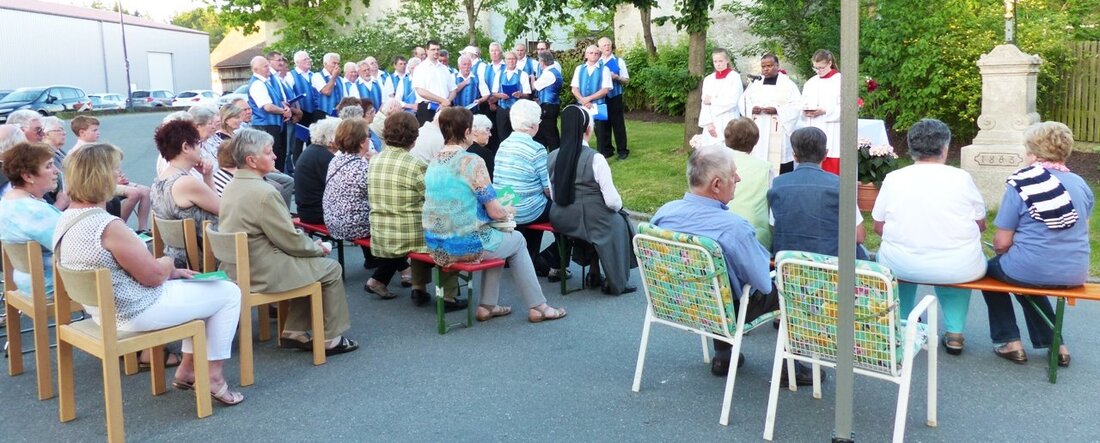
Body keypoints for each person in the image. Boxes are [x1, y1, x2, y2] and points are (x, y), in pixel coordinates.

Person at [53, 143, 244, 405]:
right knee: (229, 292)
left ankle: (188, 370)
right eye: (114, 169)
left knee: (202, 293)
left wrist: (171, 271)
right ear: (100, 176)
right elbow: (153, 277)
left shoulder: (66, 218)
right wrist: (168, 263)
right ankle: (213, 377)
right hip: (134, 311)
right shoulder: (107, 225)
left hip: (105, 309)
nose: (119, 175)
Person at [651, 146, 809, 384]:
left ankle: (723, 355)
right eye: (733, 174)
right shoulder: (734, 229)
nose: (738, 178)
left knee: (717, 281)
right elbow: (763, 284)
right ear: (716, 185)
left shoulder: (665, 214)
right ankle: (792, 367)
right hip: (723, 309)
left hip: (675, 301)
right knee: (789, 284)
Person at [219, 129, 358, 355]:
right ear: (251, 160)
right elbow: (289, 240)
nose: (275, 156)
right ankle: (332, 338)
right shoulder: (264, 192)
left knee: (309, 266)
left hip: (240, 265)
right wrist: (316, 248)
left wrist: (309, 250)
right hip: (263, 269)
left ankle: (294, 330)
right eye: (269, 152)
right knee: (330, 269)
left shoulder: (232, 186)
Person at [423, 107, 565, 322]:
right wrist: (508, 209)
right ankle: (539, 306)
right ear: (468, 131)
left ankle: (488, 305)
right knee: (516, 240)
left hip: (437, 243)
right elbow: (494, 209)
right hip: (465, 244)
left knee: (498, 239)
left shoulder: (433, 162)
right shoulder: (471, 162)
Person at [873, 119, 986, 355]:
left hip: (900, 263)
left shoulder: (894, 178)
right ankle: (955, 332)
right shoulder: (961, 178)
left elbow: (878, 226)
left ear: (911, 149)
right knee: (955, 262)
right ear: (945, 148)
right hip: (958, 265)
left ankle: (901, 324)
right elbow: (981, 223)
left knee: (897, 268)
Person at [983, 121, 1090, 366]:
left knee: (992, 273)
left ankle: (1010, 340)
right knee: (1026, 276)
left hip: (1029, 268)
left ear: (1032, 151)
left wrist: (1010, 251)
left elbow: (1001, 242)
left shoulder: (1023, 182)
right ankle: (1056, 344)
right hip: (1075, 271)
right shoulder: (1080, 183)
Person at [368, 112, 463, 309]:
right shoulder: (416, 165)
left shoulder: (374, 160)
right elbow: (437, 200)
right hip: (406, 234)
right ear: (414, 137)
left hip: (380, 231)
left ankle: (418, 287)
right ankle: (448, 296)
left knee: (423, 226)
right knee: (446, 230)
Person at [547, 105, 636, 294]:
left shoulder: (553, 156)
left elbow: (553, 194)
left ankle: (594, 271)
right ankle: (616, 281)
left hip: (561, 217)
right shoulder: (596, 158)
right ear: (588, 129)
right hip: (587, 218)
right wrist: (620, 208)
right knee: (619, 222)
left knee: (594, 224)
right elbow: (612, 201)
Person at [323, 118, 409, 298]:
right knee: (400, 230)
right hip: (352, 225)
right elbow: (380, 198)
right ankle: (379, 280)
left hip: (332, 220)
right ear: (363, 142)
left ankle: (405, 270)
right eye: (368, 136)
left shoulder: (336, 161)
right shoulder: (362, 167)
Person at [492, 100, 565, 280]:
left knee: (534, 200)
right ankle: (555, 263)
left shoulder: (503, 144)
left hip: (506, 204)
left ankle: (530, 258)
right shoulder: (536, 148)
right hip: (525, 209)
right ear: (533, 125)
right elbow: (549, 190)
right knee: (564, 212)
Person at [768, 127, 867, 259]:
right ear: (825, 153)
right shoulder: (841, 185)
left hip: (790, 267)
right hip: (831, 269)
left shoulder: (778, 184)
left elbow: (774, 227)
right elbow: (859, 236)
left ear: (795, 156)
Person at [151, 120, 221, 269]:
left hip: (175, 254)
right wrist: (208, 178)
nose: (200, 149)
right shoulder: (186, 183)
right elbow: (224, 211)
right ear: (186, 147)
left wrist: (207, 176)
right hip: (203, 256)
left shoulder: (160, 180)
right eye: (198, 144)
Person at [0, 142, 63, 295]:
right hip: (49, 285)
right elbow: (70, 247)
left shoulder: (8, 201)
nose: (57, 171)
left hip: (25, 281)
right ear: (28, 176)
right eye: (48, 166)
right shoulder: (34, 211)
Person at [740, 53, 802, 175]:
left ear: (777, 66)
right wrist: (752, 108)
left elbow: (796, 106)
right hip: (760, 127)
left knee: (780, 160)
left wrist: (777, 110)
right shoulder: (755, 83)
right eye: (763, 66)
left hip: (778, 127)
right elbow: (743, 101)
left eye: (769, 66)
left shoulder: (787, 84)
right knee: (759, 157)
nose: (766, 69)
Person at [719, 117, 771, 249]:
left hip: (718, 229)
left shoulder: (715, 162)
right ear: (756, 141)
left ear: (726, 138)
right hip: (752, 234)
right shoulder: (765, 167)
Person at [799, 49, 842, 174]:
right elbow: (802, 103)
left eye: (821, 67)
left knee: (830, 166)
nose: (818, 71)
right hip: (813, 125)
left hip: (831, 129)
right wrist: (805, 111)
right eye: (815, 68)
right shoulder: (811, 82)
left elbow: (846, 108)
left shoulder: (840, 80)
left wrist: (825, 111)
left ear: (829, 63)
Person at [247, 55, 292, 172]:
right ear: (256, 69)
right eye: (265, 66)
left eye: (268, 65)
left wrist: (285, 108)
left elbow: (276, 101)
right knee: (272, 158)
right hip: (265, 126)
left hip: (274, 125)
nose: (268, 68)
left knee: (279, 156)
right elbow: (267, 106)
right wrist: (283, 111)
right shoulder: (257, 84)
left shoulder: (266, 82)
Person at [293, 117, 341, 224]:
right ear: (331, 139)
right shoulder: (324, 157)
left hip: (307, 210)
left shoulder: (313, 151)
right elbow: (341, 188)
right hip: (317, 213)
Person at [697, 48, 744, 147]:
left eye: (720, 61)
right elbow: (704, 103)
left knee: (728, 151)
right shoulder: (708, 79)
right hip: (712, 122)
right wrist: (708, 123)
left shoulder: (734, 77)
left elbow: (733, 101)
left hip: (729, 119)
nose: (718, 64)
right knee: (712, 154)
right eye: (715, 61)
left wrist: (712, 100)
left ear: (727, 60)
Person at [570, 45, 612, 149]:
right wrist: (583, 100)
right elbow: (574, 88)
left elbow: (605, 89)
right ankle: (579, 151)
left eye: (596, 53)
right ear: (586, 55)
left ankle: (602, 154)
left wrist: (588, 99)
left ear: (599, 55)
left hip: (598, 105)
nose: (593, 55)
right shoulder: (579, 68)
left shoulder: (605, 69)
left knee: (601, 132)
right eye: (591, 53)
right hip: (582, 104)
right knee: (579, 129)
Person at [597, 37, 630, 160]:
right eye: (604, 45)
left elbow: (626, 80)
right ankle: (607, 150)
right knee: (603, 124)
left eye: (609, 45)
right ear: (600, 48)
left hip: (615, 96)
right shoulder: (598, 62)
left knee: (618, 123)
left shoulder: (618, 61)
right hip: (601, 96)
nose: (607, 47)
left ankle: (622, 150)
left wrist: (616, 77)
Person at [412, 40, 458, 126]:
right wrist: (442, 100)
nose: (436, 51)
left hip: (445, 109)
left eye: (438, 49)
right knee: (429, 137)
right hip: (428, 110)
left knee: (447, 137)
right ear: (427, 50)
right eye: (433, 49)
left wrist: (446, 102)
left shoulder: (445, 69)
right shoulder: (420, 69)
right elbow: (421, 91)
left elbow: (453, 90)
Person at [489, 51, 532, 142]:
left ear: (516, 61)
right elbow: (494, 92)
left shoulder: (523, 74)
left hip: (517, 109)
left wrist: (520, 94)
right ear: (505, 61)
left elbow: (527, 94)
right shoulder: (499, 74)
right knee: (502, 134)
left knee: (518, 134)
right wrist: (500, 95)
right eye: (509, 59)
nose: (511, 61)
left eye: (513, 59)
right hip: (502, 108)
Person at [289, 51, 322, 159]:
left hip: (314, 112)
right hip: (301, 113)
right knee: (298, 141)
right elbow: (290, 94)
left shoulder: (314, 75)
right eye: (305, 59)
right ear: (297, 62)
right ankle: (296, 165)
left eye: (308, 59)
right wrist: (295, 112)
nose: (308, 61)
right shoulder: (291, 75)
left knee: (312, 140)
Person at [532, 50, 563, 151]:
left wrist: (532, 77)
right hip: (553, 104)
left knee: (549, 132)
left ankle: (555, 152)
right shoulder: (555, 72)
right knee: (545, 131)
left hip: (548, 106)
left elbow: (535, 86)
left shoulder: (548, 74)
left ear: (542, 62)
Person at [40, 116, 70, 209]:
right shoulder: (46, 153)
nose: (64, 133)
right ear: (46, 134)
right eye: (59, 130)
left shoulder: (59, 151)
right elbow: (61, 179)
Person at [314, 53, 344, 117]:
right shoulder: (317, 76)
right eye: (334, 63)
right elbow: (327, 92)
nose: (337, 66)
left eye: (338, 64)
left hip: (338, 115)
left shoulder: (341, 79)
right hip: (322, 115)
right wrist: (333, 77)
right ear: (325, 64)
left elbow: (344, 96)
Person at [466, 114, 495, 178]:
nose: (490, 134)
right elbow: (490, 181)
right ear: (475, 131)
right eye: (487, 130)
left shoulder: (463, 149)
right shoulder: (485, 154)